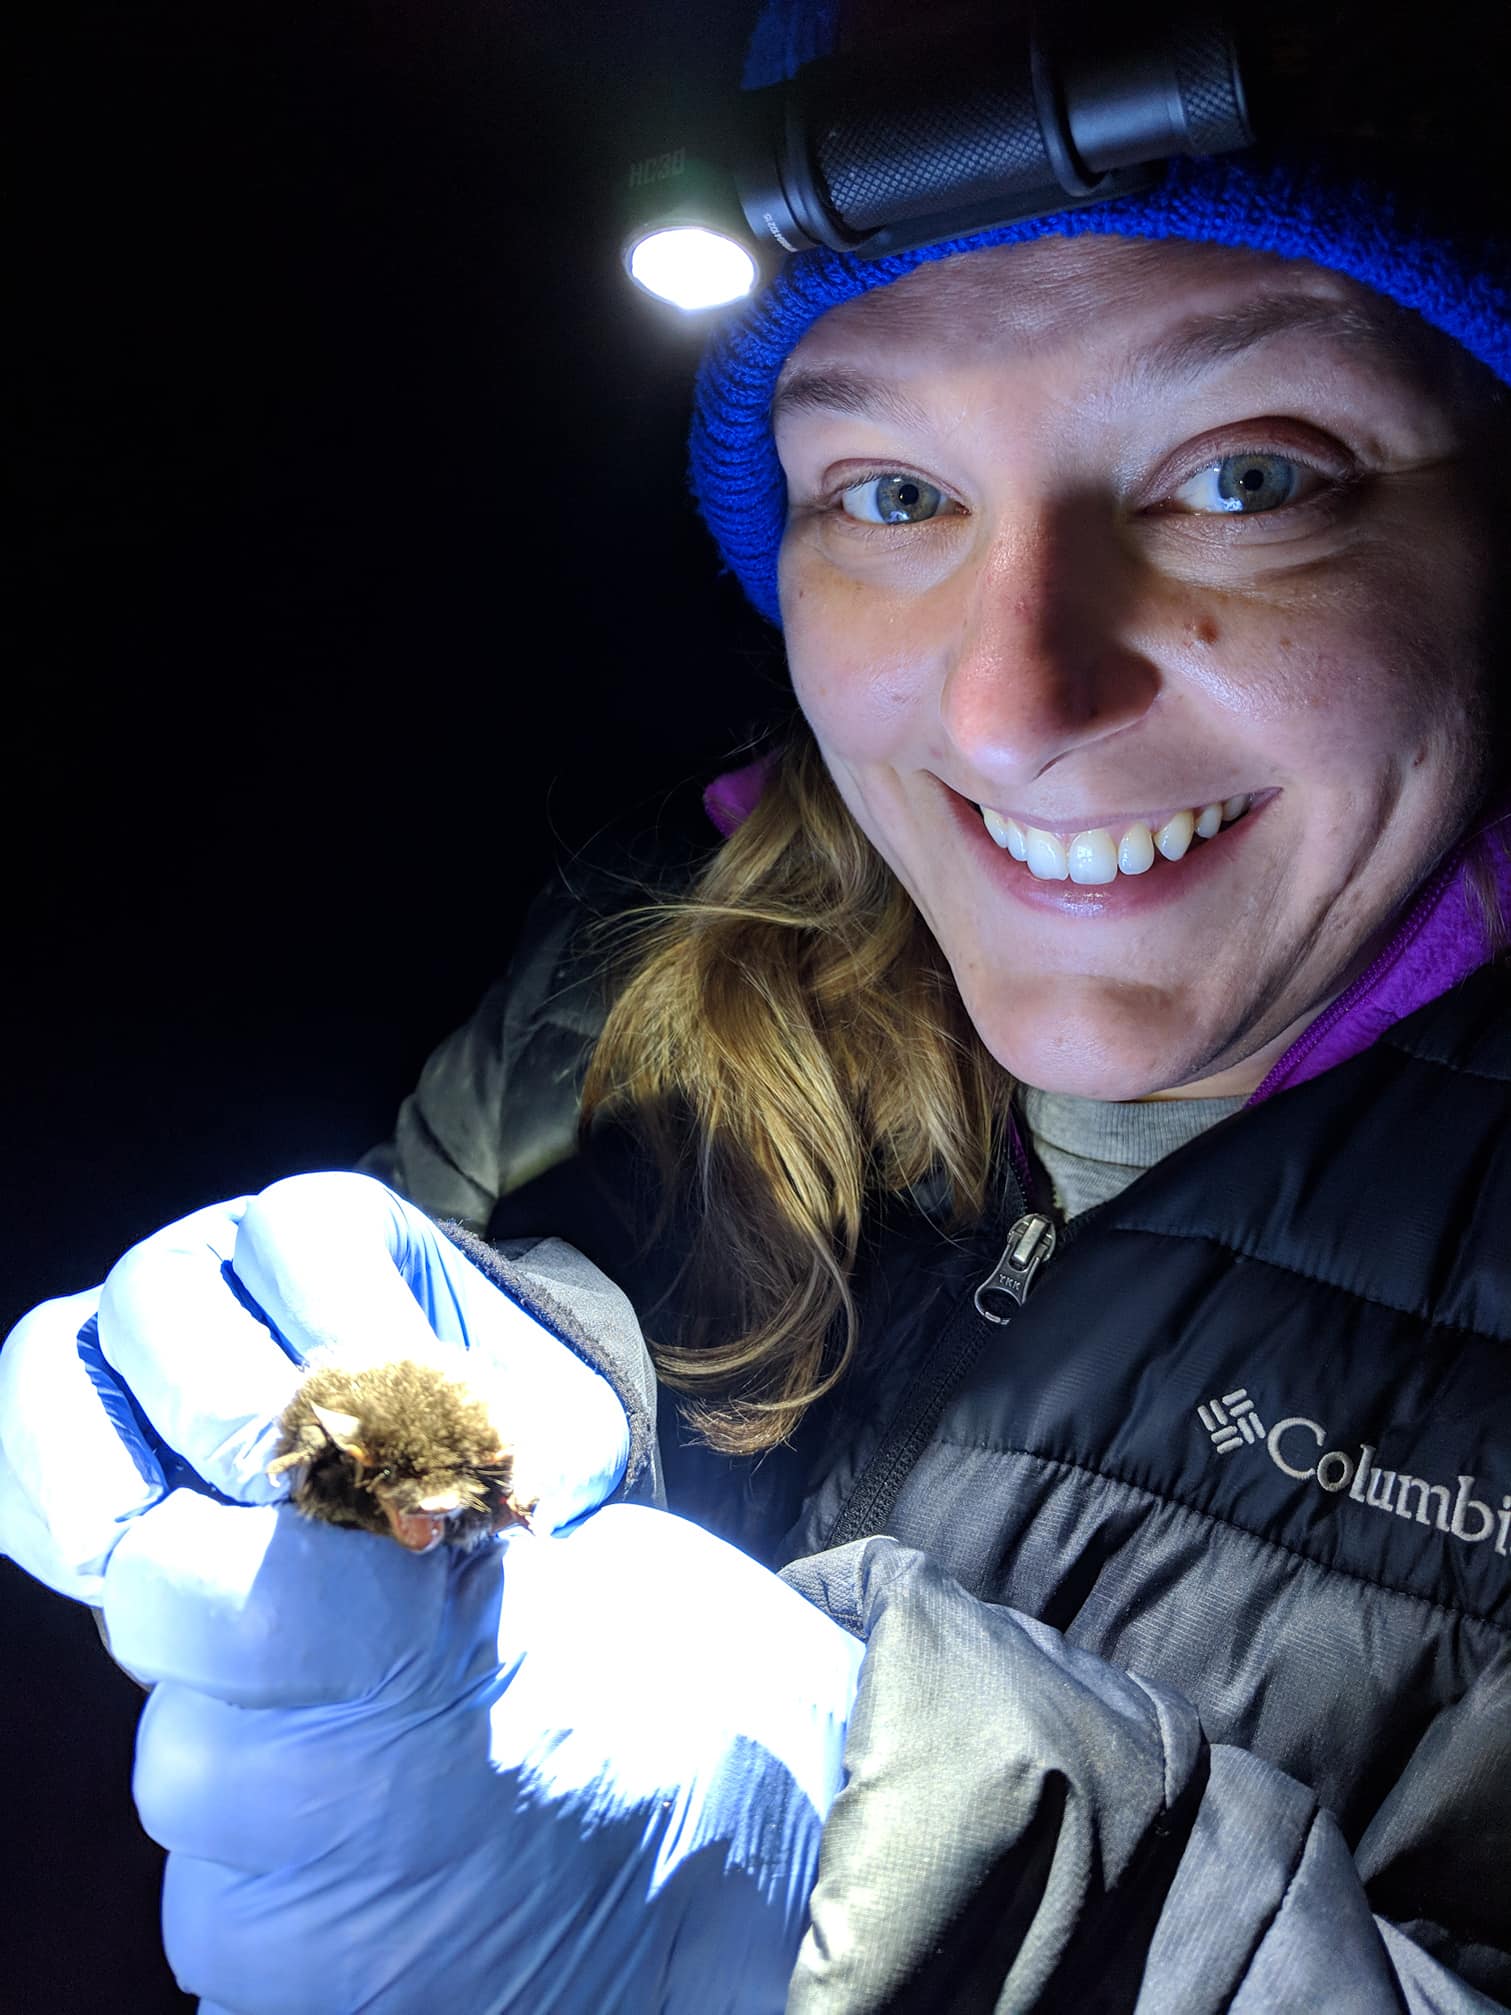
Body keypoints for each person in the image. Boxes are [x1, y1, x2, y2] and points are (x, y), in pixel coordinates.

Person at [3, 0, 1510, 2007]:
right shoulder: (633, 993)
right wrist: (302, 1442)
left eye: (1249, 476)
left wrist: (858, 1872)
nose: (1010, 704)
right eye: (891, 495)